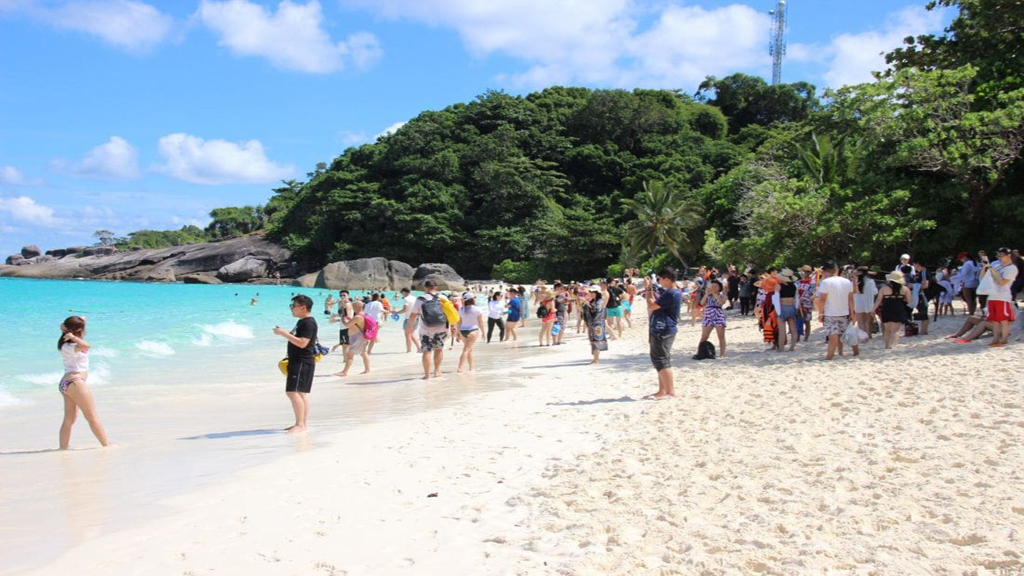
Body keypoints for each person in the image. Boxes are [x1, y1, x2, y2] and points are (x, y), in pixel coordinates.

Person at [57, 316, 109, 449]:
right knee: (92, 416)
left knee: (70, 418)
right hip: (75, 382)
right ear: (79, 330)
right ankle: (107, 445)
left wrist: (67, 329)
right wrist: (71, 335)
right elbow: (86, 346)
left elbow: (80, 321)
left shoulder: (69, 343)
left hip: (67, 383)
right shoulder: (69, 346)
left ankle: (63, 448)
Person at [273, 295, 317, 433]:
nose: (292, 309)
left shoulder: (308, 323)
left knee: (292, 392)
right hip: (300, 361)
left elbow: (302, 343)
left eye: (293, 306)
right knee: (300, 393)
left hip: (302, 361)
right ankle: (301, 423)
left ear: (303, 307)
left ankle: (300, 425)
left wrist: (284, 333)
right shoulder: (302, 321)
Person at [645, 267, 681, 399]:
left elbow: (651, 305)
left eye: (660, 279)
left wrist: (648, 289)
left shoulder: (671, 293)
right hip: (662, 328)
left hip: (663, 329)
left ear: (666, 279)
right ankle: (663, 390)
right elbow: (656, 304)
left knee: (661, 360)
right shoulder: (672, 292)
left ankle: (670, 391)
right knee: (660, 360)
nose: (659, 282)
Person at [406, 280, 449, 379]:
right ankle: (437, 371)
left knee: (427, 351)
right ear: (436, 287)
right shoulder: (442, 297)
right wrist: (453, 326)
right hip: (441, 328)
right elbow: (449, 313)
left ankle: (427, 375)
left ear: (425, 288)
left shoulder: (420, 299)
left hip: (426, 329)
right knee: (438, 349)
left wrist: (409, 327)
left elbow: (413, 315)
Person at [816, 262, 857, 360]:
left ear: (825, 271)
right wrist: (852, 313)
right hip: (844, 311)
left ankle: (829, 356)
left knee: (833, 336)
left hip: (830, 313)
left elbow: (822, 300)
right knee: (848, 333)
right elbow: (850, 299)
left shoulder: (825, 282)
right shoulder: (847, 281)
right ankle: (854, 352)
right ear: (837, 270)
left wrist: (820, 313)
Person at [979, 247, 1018, 347]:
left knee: (1003, 320)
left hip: (1002, 296)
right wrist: (984, 267)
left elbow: (1002, 282)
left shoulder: (1012, 268)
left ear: (1008, 256)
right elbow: (982, 278)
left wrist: (991, 269)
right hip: (992, 296)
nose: (999, 257)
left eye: (1001, 255)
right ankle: (995, 339)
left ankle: (1004, 340)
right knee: (995, 320)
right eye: (998, 255)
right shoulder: (996, 265)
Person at [873, 271, 912, 349]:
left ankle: (887, 345)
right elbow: (909, 300)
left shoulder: (884, 288)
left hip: (887, 309)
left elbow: (878, 300)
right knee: (896, 330)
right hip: (899, 308)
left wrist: (873, 309)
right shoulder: (905, 289)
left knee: (887, 329)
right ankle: (894, 345)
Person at [335, 300, 375, 376]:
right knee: (363, 353)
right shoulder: (364, 314)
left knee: (350, 355)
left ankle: (345, 372)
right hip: (360, 336)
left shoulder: (357, 316)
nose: (352, 307)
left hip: (357, 337)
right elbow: (357, 323)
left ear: (357, 307)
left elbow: (347, 325)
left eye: (353, 306)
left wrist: (343, 318)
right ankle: (367, 369)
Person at [700, 279, 728, 358]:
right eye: (712, 286)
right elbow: (702, 303)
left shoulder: (723, 295)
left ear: (719, 287)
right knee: (704, 336)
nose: (713, 288)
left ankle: (722, 353)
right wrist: (706, 294)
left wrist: (714, 294)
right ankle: (700, 352)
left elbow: (721, 302)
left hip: (718, 314)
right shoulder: (708, 295)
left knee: (721, 336)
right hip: (709, 315)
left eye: (715, 286)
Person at [581, 287, 608, 364]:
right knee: (593, 340)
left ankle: (596, 360)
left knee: (597, 340)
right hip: (593, 323)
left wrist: (586, 303)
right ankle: (595, 359)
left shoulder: (599, 301)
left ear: (596, 293)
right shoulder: (595, 301)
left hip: (597, 324)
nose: (591, 294)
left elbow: (596, 311)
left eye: (592, 292)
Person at [456, 297, 484, 372]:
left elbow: (459, 322)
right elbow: (480, 322)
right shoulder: (478, 309)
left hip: (462, 331)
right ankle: (460, 368)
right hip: (473, 330)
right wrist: (484, 332)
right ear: (472, 299)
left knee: (469, 349)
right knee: (466, 349)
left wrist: (457, 333)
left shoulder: (461, 309)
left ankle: (471, 367)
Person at [852, 266, 879, 341]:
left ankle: (863, 337)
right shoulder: (871, 281)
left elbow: (852, 292)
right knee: (868, 321)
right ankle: (869, 335)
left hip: (858, 303)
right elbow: (875, 292)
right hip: (868, 303)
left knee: (860, 322)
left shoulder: (855, 281)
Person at [776, 269, 799, 352]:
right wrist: (796, 308)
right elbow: (797, 298)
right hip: (791, 307)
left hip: (782, 307)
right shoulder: (794, 286)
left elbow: (775, 298)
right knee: (793, 329)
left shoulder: (778, 286)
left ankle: (781, 348)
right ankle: (792, 347)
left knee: (782, 329)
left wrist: (777, 310)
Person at [395, 288, 420, 353]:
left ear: (404, 292)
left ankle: (409, 350)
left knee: (408, 335)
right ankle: (419, 348)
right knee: (412, 335)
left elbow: (405, 309)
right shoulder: (414, 298)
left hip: (409, 319)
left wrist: (396, 312)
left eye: (402, 293)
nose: (402, 294)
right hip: (416, 317)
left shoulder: (406, 299)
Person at [796, 266, 816, 342]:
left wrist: (807, 299)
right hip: (798, 304)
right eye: (803, 272)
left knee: (807, 321)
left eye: (806, 272)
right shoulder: (797, 283)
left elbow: (813, 293)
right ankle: (797, 337)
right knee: (798, 321)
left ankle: (806, 338)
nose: (804, 273)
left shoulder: (812, 283)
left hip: (807, 304)